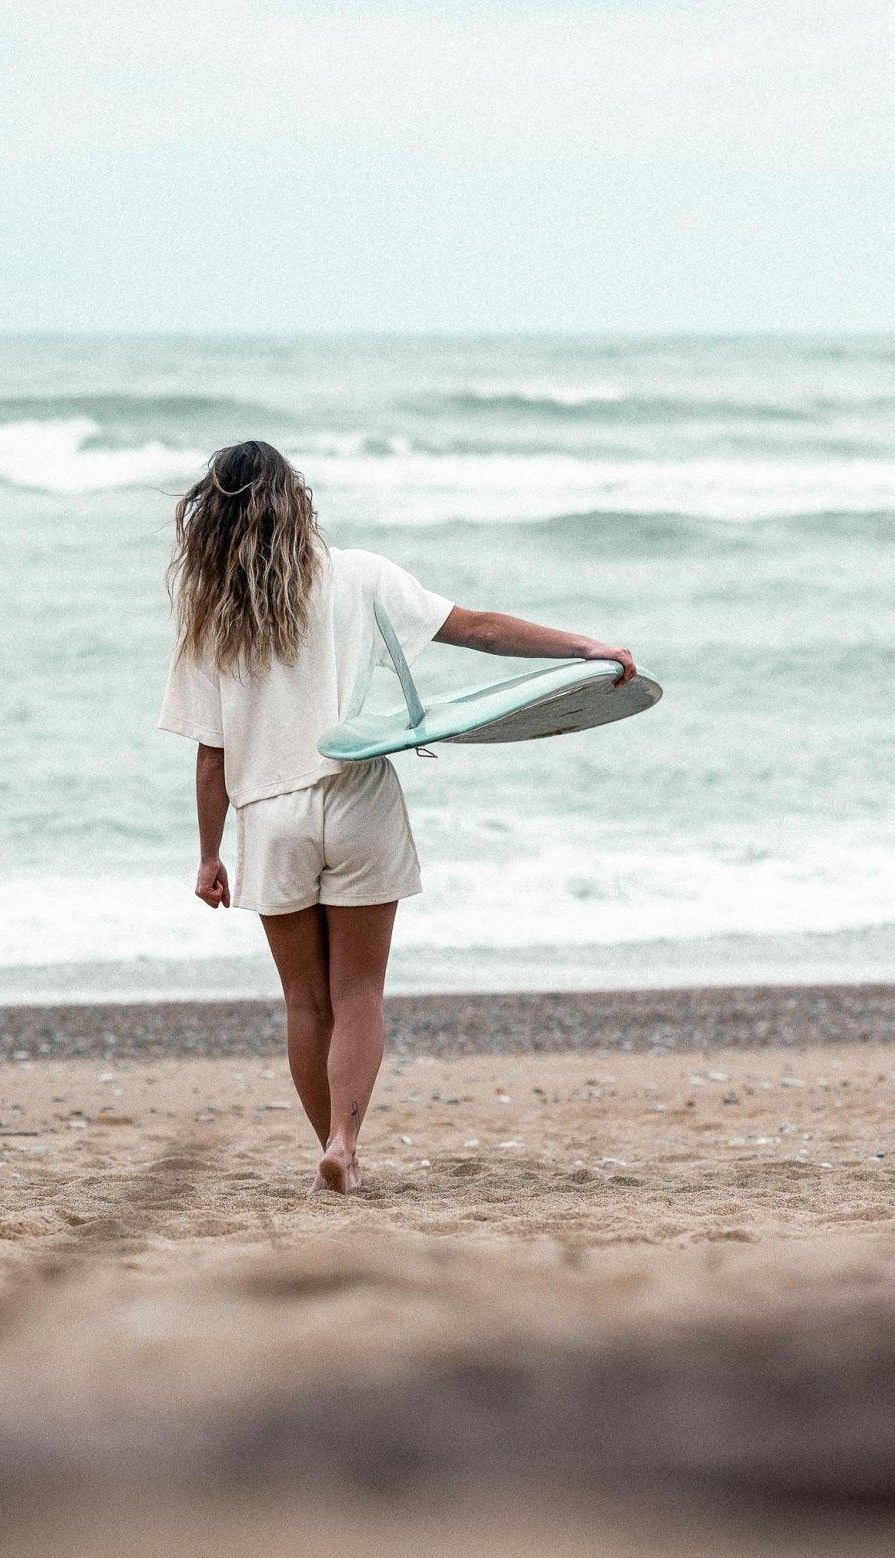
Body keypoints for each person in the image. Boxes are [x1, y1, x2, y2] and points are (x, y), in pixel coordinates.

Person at [160, 440, 635, 1194]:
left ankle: (332, 1152)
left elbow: (212, 757)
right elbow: (477, 628)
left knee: (306, 1001)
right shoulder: (361, 576)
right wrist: (583, 647)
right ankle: (345, 1142)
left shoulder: (214, 617)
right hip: (357, 795)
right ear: (296, 500)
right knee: (359, 993)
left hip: (271, 818)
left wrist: (208, 855)